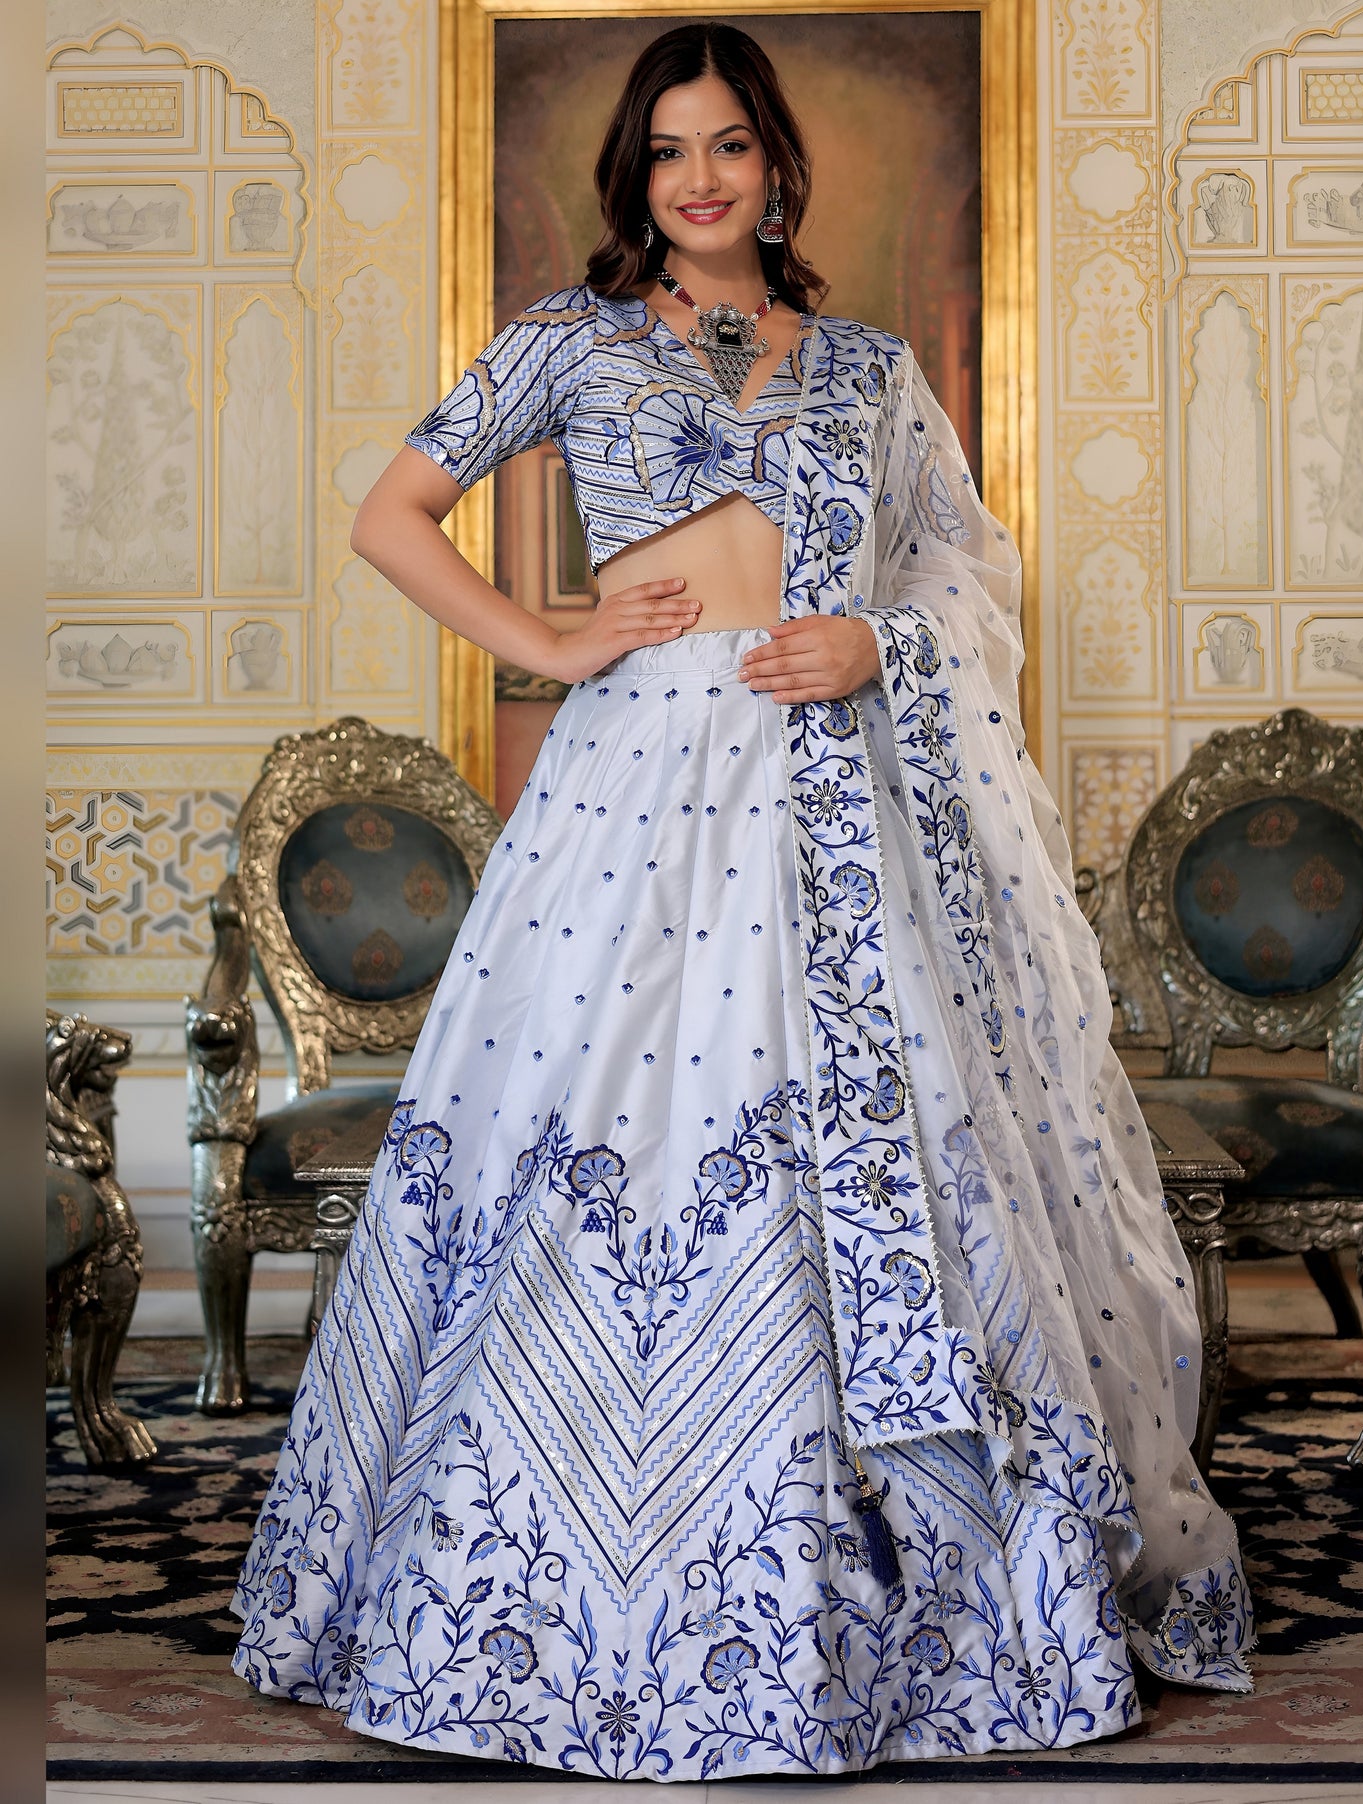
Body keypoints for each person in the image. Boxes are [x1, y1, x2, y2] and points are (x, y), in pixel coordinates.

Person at [231, 21, 1253, 1778]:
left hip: (842, 786)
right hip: (635, 793)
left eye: (726, 148)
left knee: (886, 1139)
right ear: (634, 180)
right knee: (614, 1128)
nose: (698, 180)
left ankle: (901, 1605)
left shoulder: (861, 369)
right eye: (665, 155)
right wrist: (547, 640)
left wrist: (880, 638)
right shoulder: (568, 339)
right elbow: (393, 514)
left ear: (776, 165)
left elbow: (965, 562)